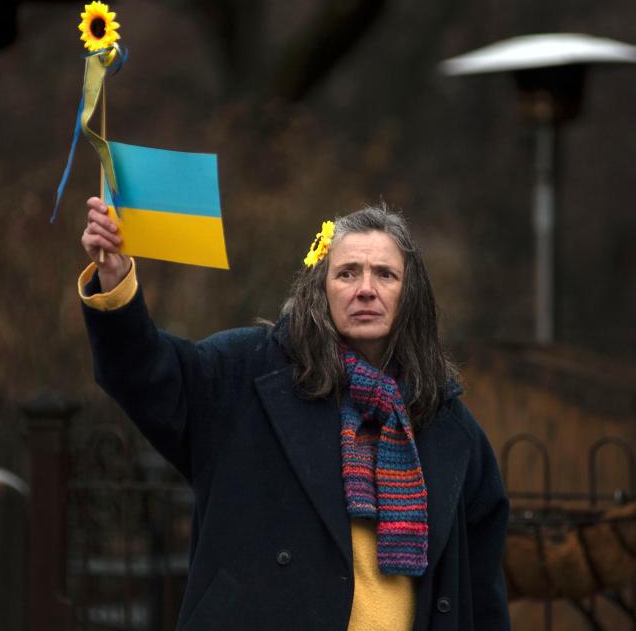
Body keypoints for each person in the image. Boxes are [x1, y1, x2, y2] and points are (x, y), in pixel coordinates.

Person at [78, 196, 511, 631]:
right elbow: (146, 376)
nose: (366, 288)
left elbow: (482, 594)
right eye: (347, 273)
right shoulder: (244, 373)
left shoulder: (448, 424)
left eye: (385, 274)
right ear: (319, 287)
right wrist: (116, 284)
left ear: (410, 293)